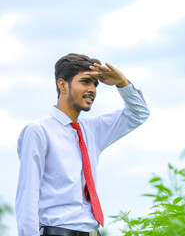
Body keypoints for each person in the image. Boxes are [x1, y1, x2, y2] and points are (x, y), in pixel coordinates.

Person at [15, 53, 150, 236]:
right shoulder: (38, 131)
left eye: (95, 84)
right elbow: (27, 198)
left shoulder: (93, 130)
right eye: (85, 81)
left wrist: (122, 82)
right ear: (62, 85)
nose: (92, 89)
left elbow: (138, 114)